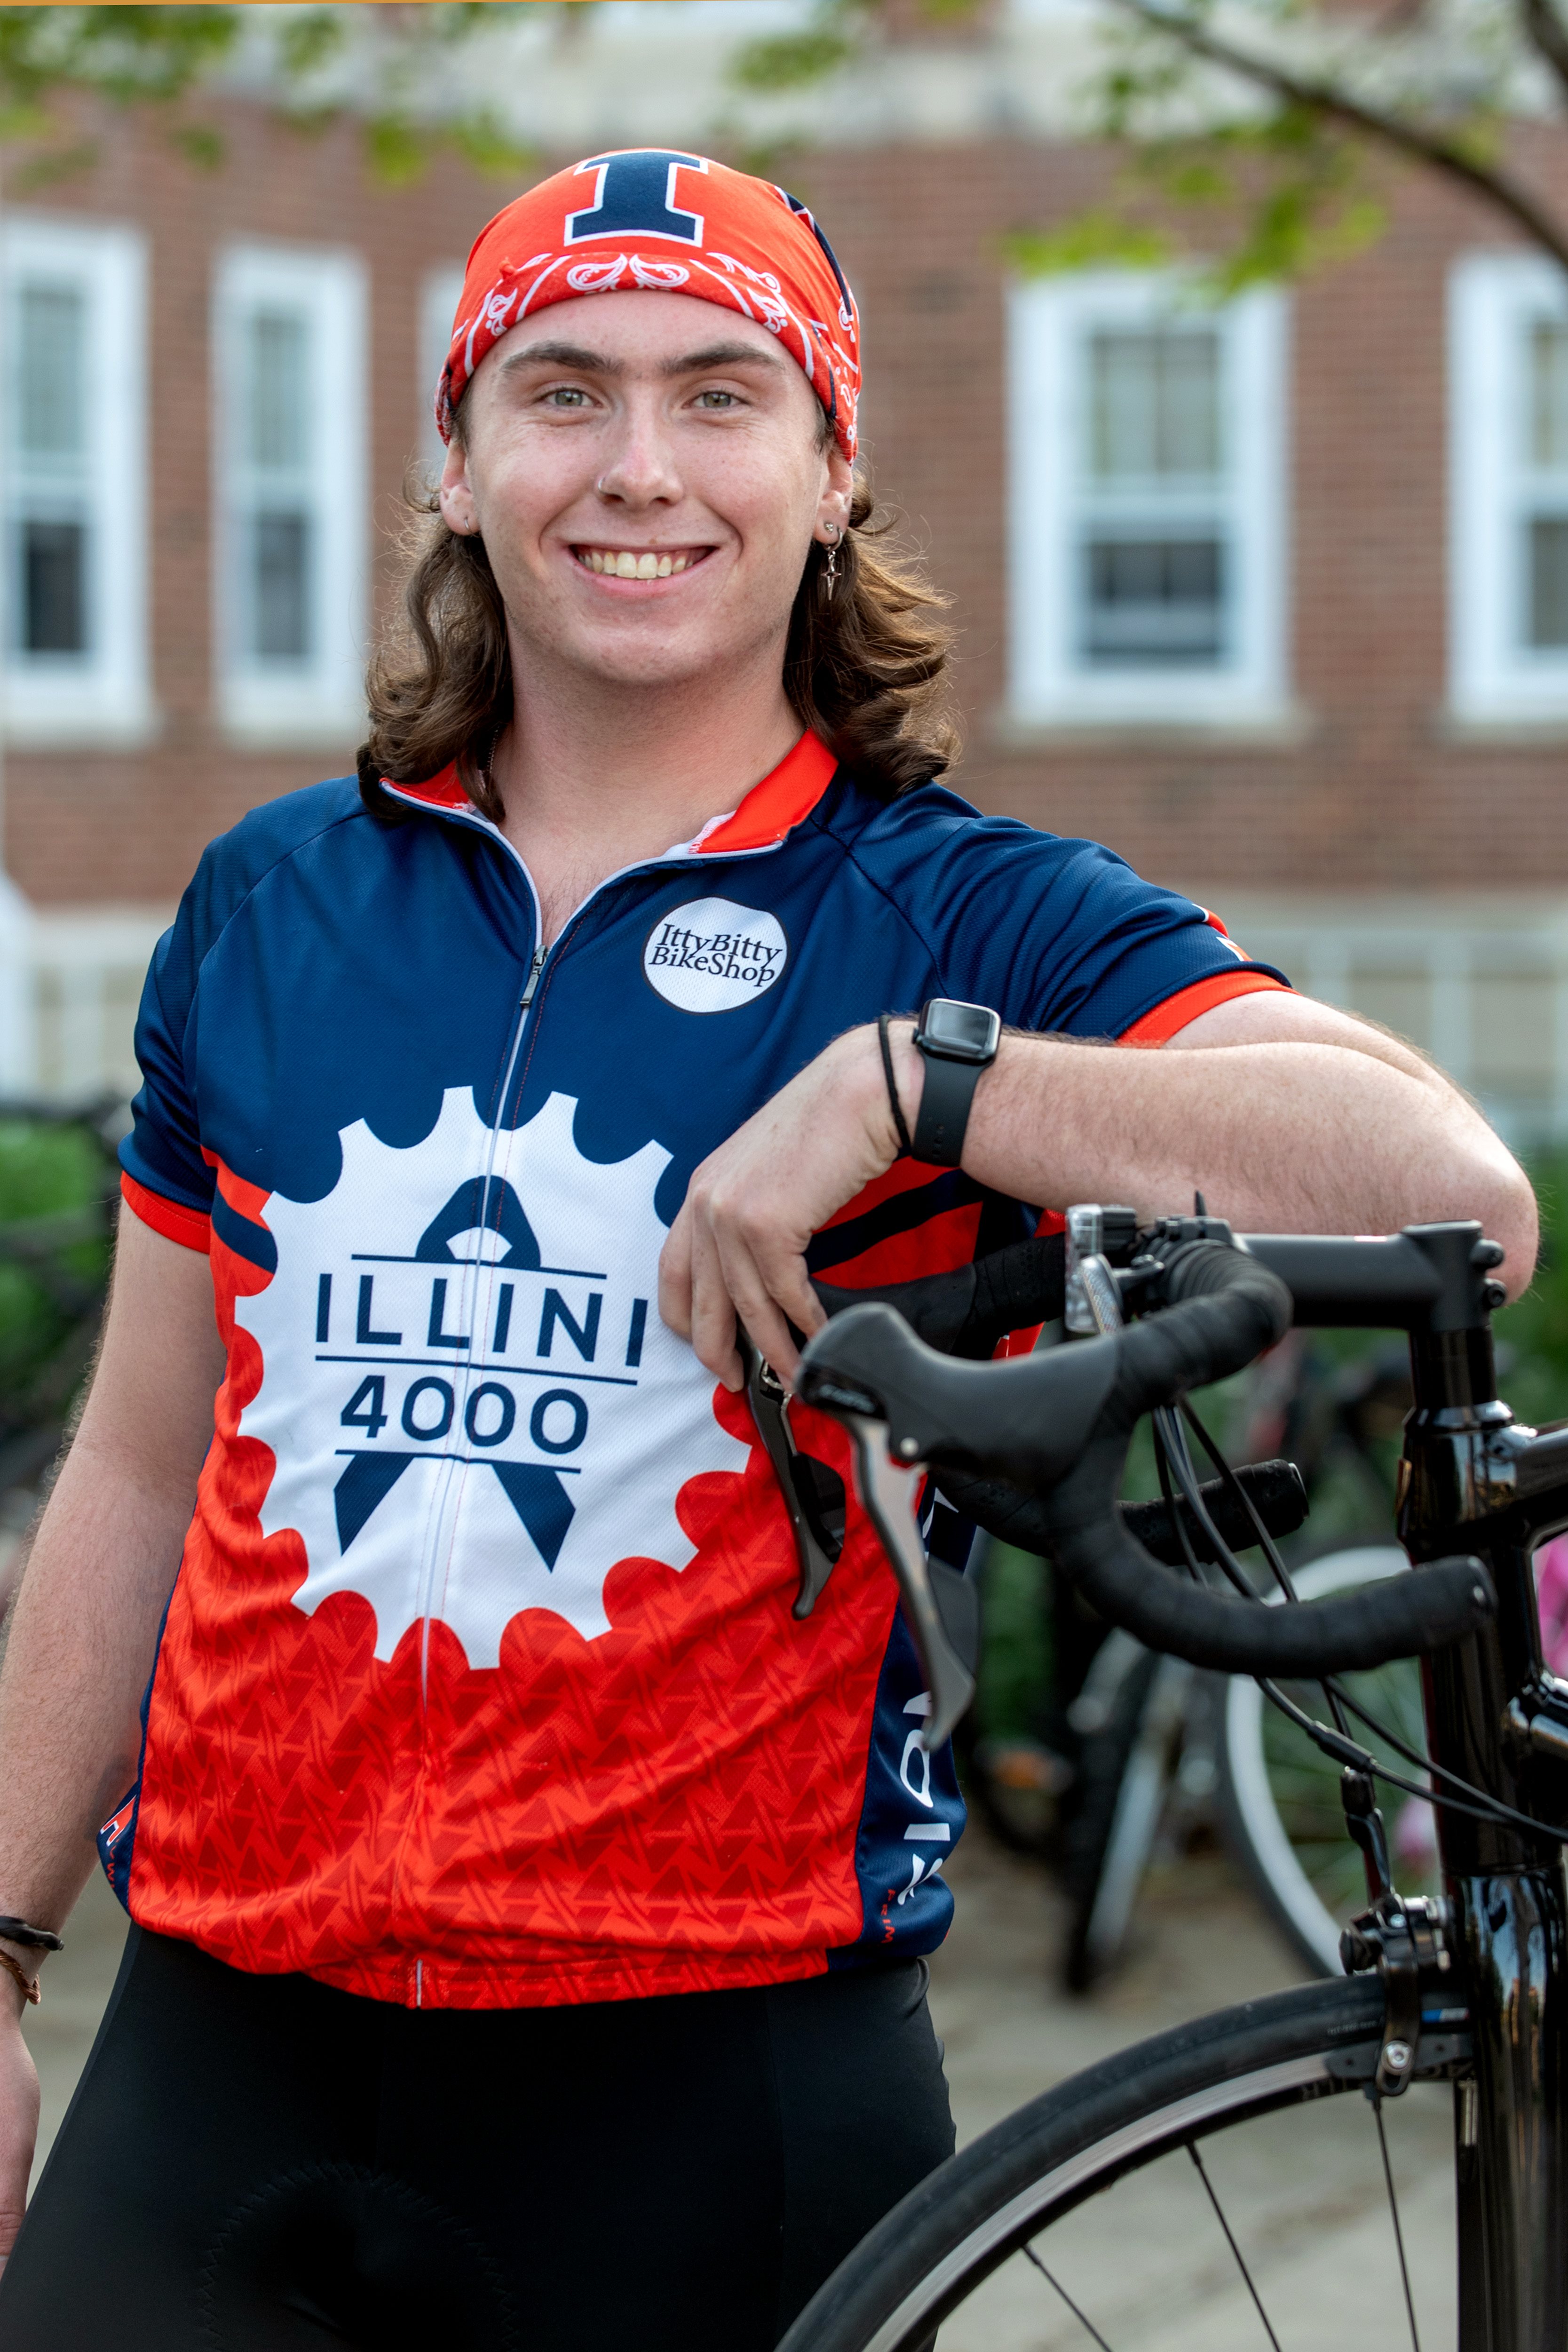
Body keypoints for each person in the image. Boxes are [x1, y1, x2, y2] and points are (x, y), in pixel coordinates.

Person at [0, 149, 1535, 2348]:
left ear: (834, 473)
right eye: (563, 390)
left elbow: (1450, 1181)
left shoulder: (955, 910)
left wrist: (925, 1083)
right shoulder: (272, 899)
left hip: (713, 2085)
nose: (639, 467)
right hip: (225, 2050)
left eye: (724, 393)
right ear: (457, 460)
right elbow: (144, 1462)